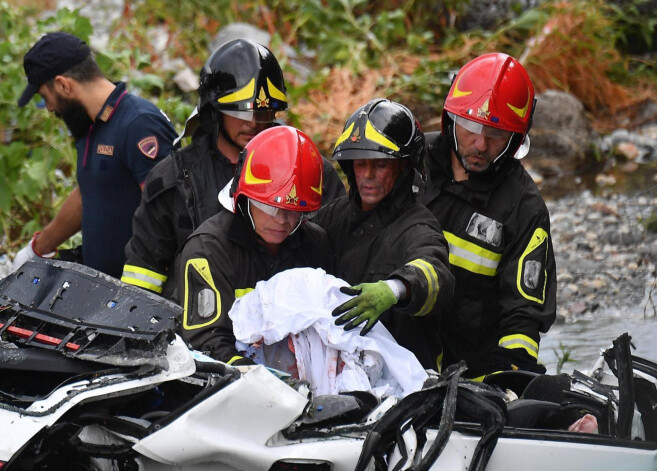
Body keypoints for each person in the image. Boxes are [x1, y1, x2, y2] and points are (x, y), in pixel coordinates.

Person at [122, 39, 345, 299]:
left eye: (265, 113)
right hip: (199, 328)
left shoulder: (310, 171)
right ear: (214, 111)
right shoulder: (173, 178)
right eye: (240, 112)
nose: (254, 123)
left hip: (292, 324)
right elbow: (143, 276)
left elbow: (337, 254)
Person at [418, 52, 557, 378]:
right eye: (469, 126)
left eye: (496, 134)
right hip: (394, 360)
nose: (480, 144)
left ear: (516, 139)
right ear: (450, 119)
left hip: (470, 378)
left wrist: (506, 383)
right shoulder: (410, 163)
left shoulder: (524, 208)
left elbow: (523, 314)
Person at [13, 31, 177, 278]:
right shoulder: (90, 125)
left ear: (63, 85)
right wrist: (37, 249)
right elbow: (91, 191)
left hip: (139, 299)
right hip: (99, 293)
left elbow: (169, 216)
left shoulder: (139, 125)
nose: (49, 108)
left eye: (45, 97)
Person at [314, 99, 454, 371]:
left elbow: (437, 275)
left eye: (379, 165)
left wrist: (395, 288)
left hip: (405, 379)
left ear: (403, 167)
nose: (367, 175)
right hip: (341, 369)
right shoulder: (333, 217)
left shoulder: (417, 225)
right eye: (360, 164)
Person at [176, 125, 333, 365]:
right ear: (243, 198)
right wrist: (264, 382)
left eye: (293, 212)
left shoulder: (314, 244)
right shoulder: (208, 250)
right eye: (270, 207)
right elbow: (206, 344)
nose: (281, 220)